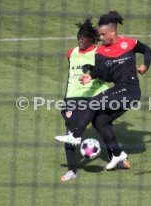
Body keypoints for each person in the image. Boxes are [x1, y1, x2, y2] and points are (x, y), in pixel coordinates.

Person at [56, 10, 151, 170]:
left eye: (102, 35)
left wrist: (145, 65)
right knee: (100, 122)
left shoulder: (129, 43)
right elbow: (105, 75)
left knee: (94, 102)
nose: (100, 38)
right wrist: (91, 76)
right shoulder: (100, 51)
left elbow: (147, 50)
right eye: (99, 35)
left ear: (112, 32)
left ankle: (76, 135)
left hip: (131, 90)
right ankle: (117, 154)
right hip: (120, 89)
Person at [55, 17, 130, 182]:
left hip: (96, 95)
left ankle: (117, 158)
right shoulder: (71, 53)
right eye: (78, 37)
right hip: (74, 98)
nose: (80, 40)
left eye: (84, 38)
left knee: (103, 126)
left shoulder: (100, 52)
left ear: (91, 39)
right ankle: (72, 171)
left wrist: (94, 71)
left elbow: (108, 76)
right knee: (70, 132)